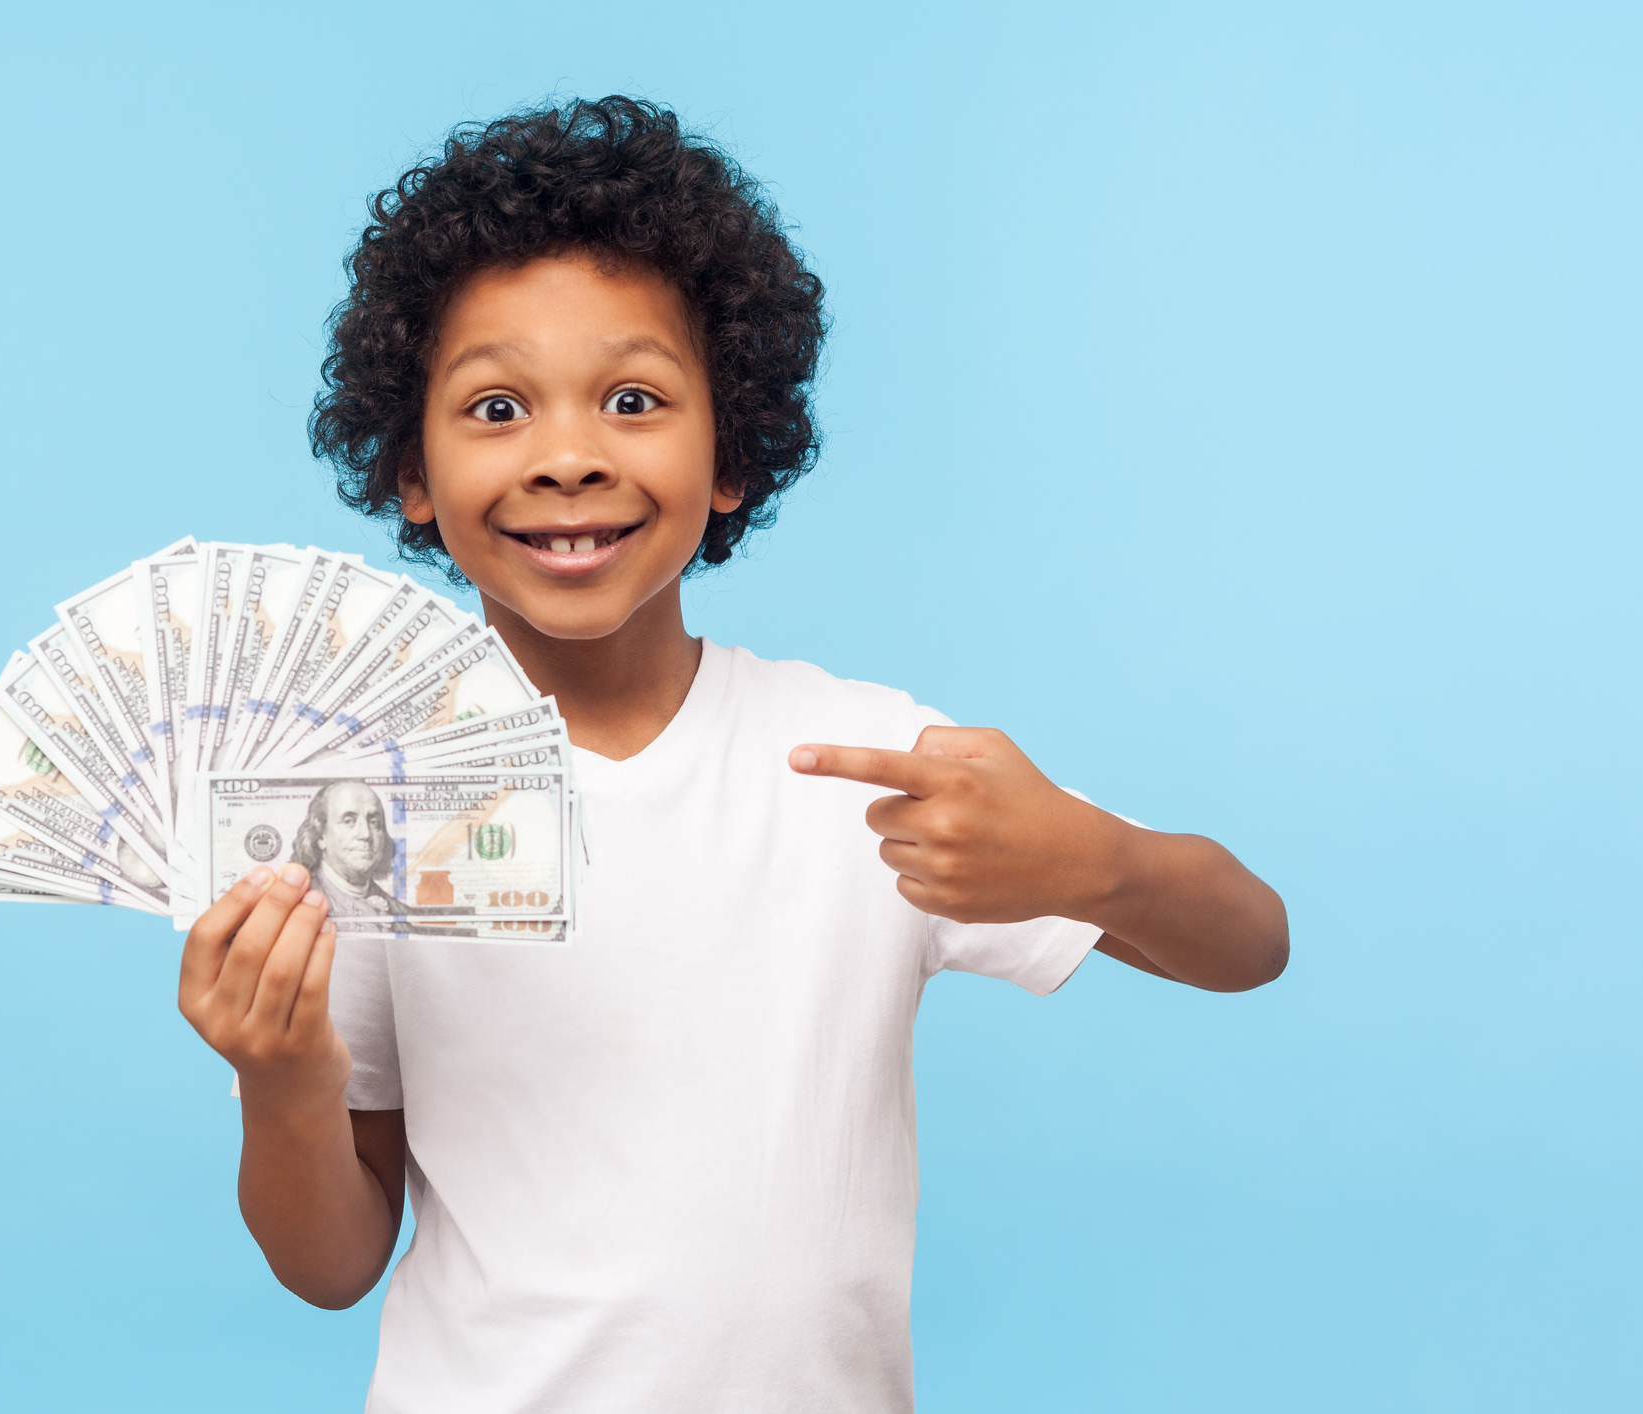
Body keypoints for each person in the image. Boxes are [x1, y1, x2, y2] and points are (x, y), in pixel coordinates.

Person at [176, 97, 1289, 1413]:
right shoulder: (354, 814)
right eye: (495, 406)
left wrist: (1096, 862)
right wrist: (281, 1081)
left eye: (634, 398)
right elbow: (330, 1264)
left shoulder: (857, 762)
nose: (570, 457)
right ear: (411, 469)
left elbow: (1249, 941)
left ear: (732, 459)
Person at [290, 779, 400, 918]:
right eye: (348, 821)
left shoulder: (403, 915)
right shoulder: (295, 902)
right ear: (321, 836)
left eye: (374, 822)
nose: (366, 834)